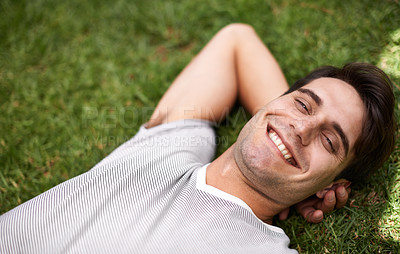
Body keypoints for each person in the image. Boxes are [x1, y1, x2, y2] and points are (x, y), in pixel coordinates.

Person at [0, 24, 395, 253]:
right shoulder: (172, 146)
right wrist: (284, 133)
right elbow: (236, 42)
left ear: (333, 185)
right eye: (304, 105)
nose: (302, 128)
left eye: (330, 142)